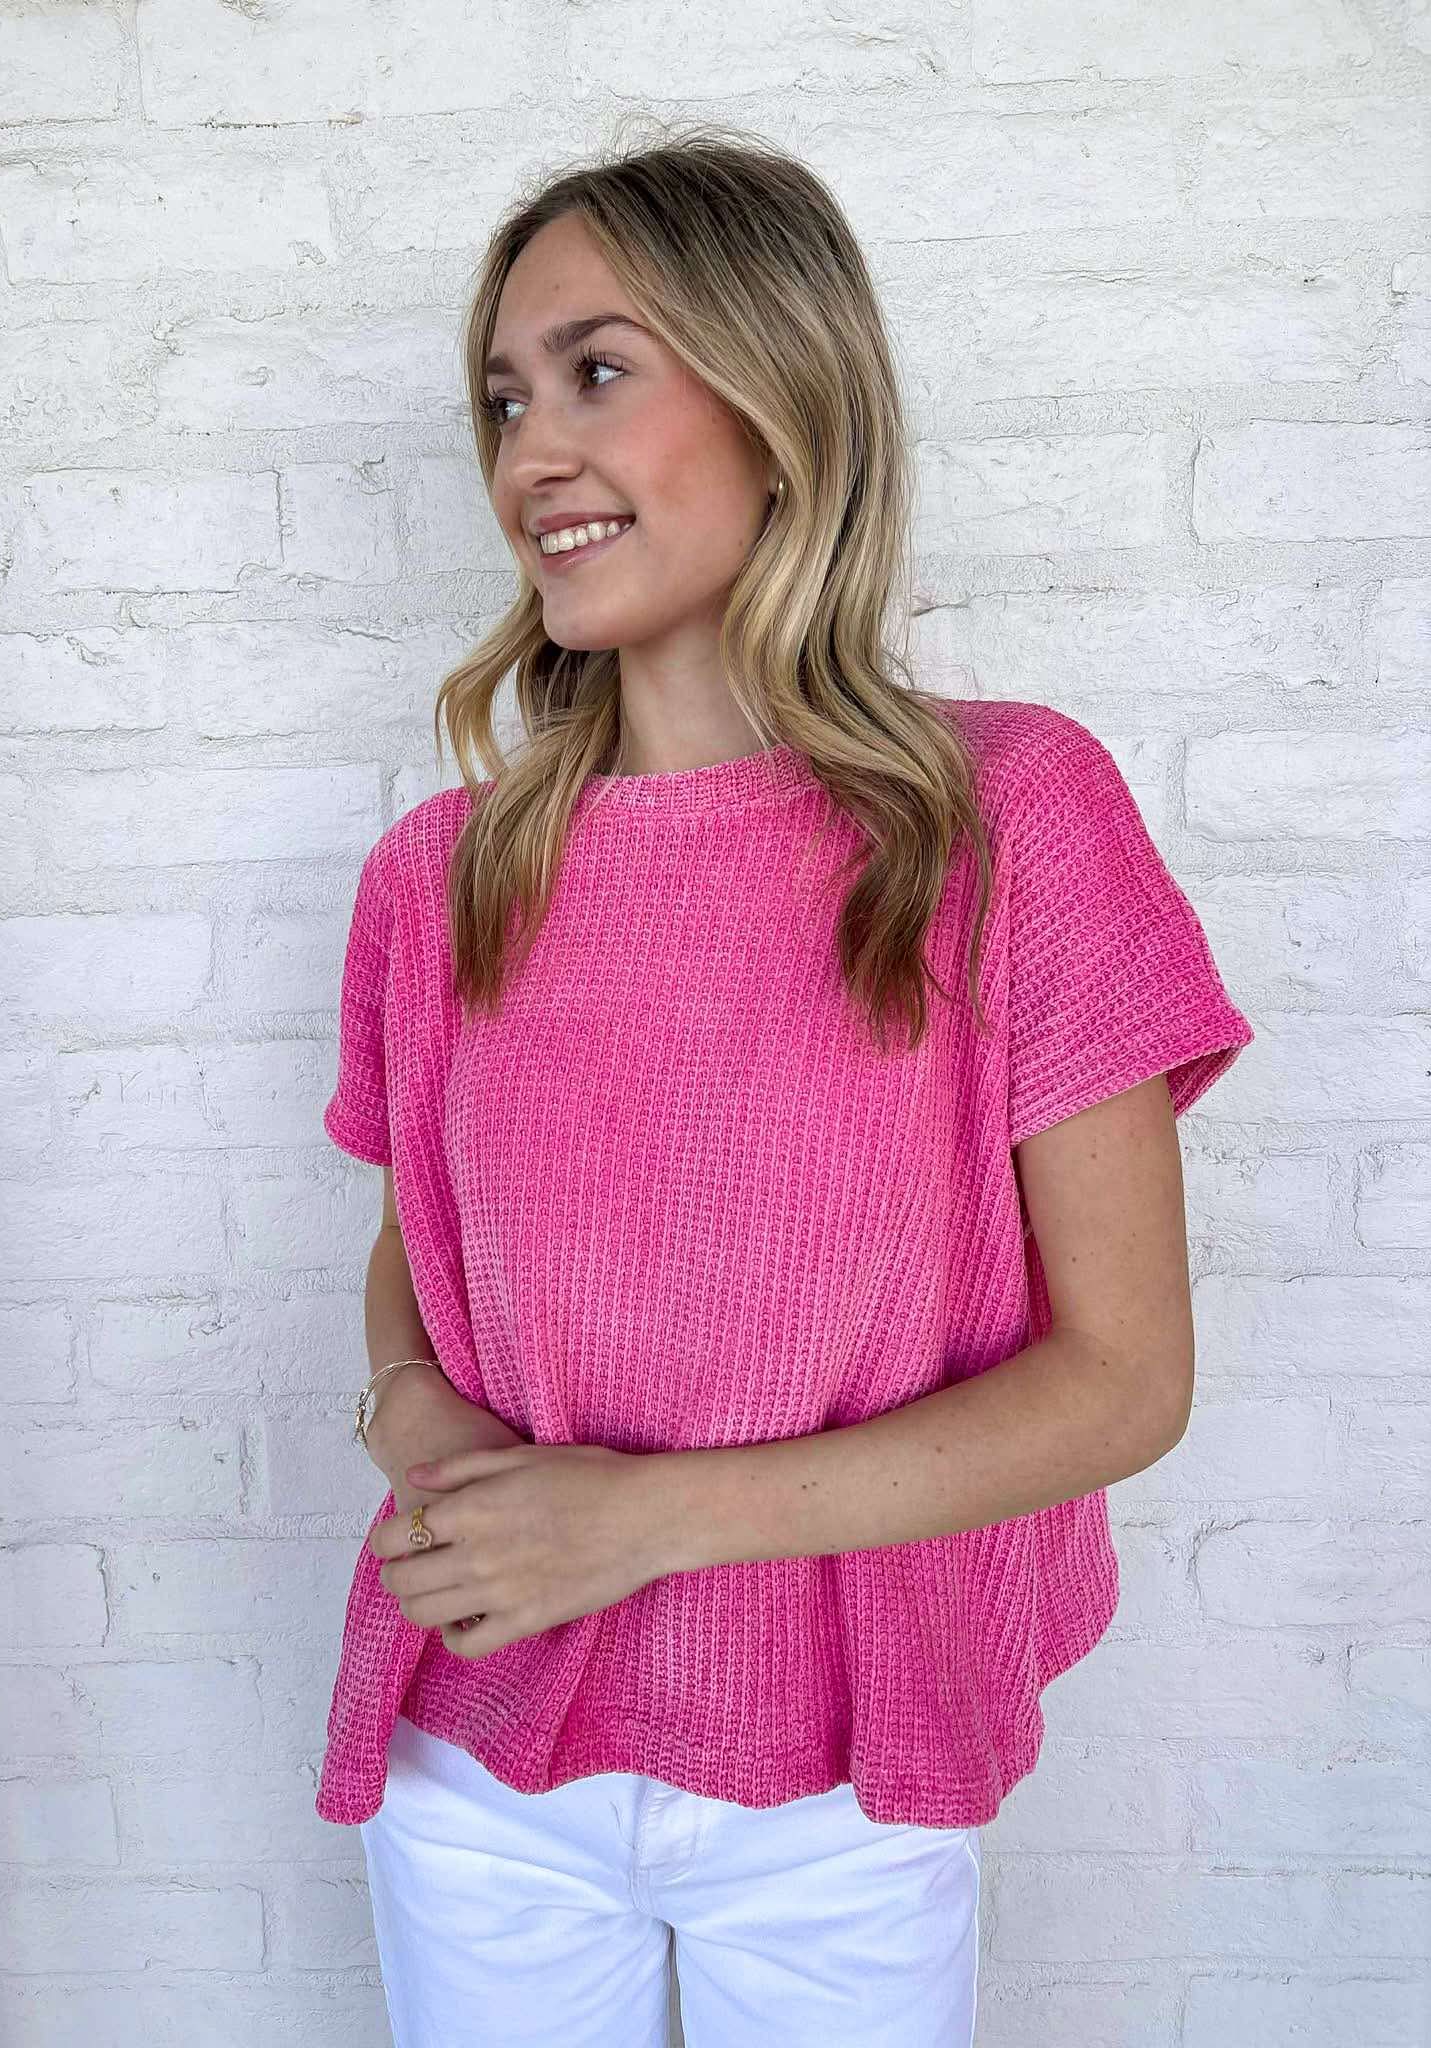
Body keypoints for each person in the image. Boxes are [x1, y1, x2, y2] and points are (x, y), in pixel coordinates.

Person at [318, 125, 1254, 2048]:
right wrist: (406, 1399)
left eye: (597, 370)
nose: (530, 454)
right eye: (504, 399)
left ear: (781, 400)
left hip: (837, 1770)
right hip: (482, 1748)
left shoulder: (1007, 822)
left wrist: (636, 1522)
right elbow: (425, 1248)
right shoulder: (444, 874)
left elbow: (1123, 1380)